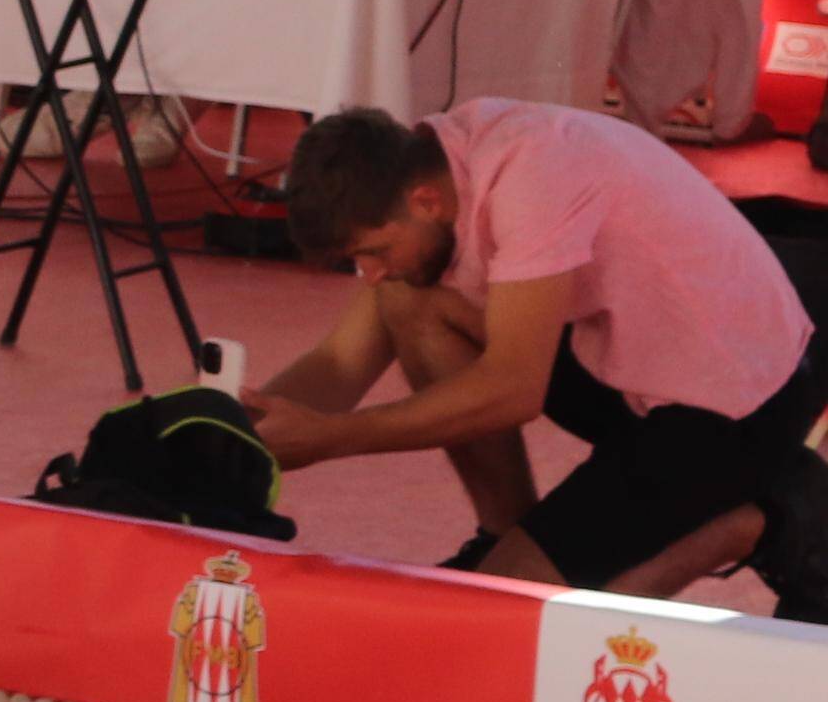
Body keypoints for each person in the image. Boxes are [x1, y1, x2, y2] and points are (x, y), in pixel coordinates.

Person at [250, 103, 828, 609]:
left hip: (737, 407)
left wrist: (333, 438)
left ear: (424, 201)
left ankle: (761, 523)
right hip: (635, 368)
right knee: (408, 298)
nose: (369, 274)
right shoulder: (432, 164)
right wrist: (230, 433)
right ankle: (502, 532)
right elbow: (340, 361)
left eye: (373, 252)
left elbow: (514, 389)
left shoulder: (533, 176)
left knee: (513, 616)